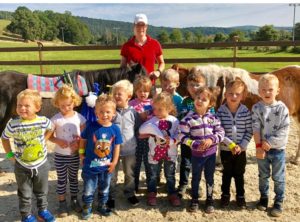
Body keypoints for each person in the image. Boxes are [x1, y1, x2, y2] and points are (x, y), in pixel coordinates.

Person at [1, 89, 55, 222]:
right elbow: (4, 137)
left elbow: (52, 127)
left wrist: (45, 139)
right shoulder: (13, 124)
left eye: (26, 105)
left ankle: (43, 211)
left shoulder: (43, 121)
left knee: (42, 191)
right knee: (25, 193)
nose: (22, 108)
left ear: (37, 107)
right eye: (19, 105)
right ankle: (26, 215)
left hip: (41, 164)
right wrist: (9, 155)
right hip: (22, 166)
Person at [179, 86, 224, 214]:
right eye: (198, 98)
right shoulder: (188, 119)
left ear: (210, 104)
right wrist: (192, 143)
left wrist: (211, 140)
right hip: (196, 155)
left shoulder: (213, 118)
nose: (199, 101)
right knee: (196, 177)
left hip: (210, 154)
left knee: (210, 177)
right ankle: (194, 199)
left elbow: (221, 133)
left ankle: (209, 200)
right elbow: (181, 135)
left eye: (204, 99)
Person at [252, 74, 290, 217]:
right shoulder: (257, 108)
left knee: (278, 177)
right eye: (263, 90)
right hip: (262, 149)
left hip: (277, 150)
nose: (267, 93)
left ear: (277, 91)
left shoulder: (282, 109)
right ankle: (263, 198)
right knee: (263, 175)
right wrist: (259, 146)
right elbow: (255, 128)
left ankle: (279, 201)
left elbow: (284, 130)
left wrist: (269, 142)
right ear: (259, 91)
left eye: (270, 89)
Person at [79, 94, 122, 219]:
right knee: (89, 189)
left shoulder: (115, 129)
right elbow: (82, 139)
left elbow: (117, 146)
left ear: (114, 113)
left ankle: (102, 205)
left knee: (104, 189)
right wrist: (81, 154)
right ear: (96, 112)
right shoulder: (91, 126)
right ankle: (87, 206)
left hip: (106, 168)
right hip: (90, 167)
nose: (104, 115)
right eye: (101, 112)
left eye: (108, 112)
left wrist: (114, 162)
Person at [49, 84, 86, 217]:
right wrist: (57, 140)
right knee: (61, 180)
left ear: (74, 102)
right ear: (57, 103)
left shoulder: (80, 118)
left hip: (74, 155)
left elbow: (84, 136)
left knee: (73, 178)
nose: (66, 108)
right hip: (60, 155)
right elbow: (48, 136)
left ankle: (74, 200)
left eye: (69, 105)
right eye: (62, 105)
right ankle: (62, 203)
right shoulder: (55, 119)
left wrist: (79, 143)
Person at [139, 92, 181, 207]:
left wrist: (172, 140)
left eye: (160, 109)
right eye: (155, 109)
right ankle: (152, 192)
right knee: (152, 174)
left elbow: (180, 135)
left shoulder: (174, 121)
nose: (156, 111)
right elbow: (141, 131)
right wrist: (151, 133)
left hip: (170, 153)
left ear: (169, 108)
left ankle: (172, 193)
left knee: (170, 174)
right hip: (154, 153)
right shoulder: (152, 120)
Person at [216, 79, 253, 208]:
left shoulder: (245, 111)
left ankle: (240, 196)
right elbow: (218, 131)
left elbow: (249, 131)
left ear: (243, 96)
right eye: (230, 93)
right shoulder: (220, 111)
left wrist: (241, 146)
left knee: (239, 174)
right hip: (227, 150)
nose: (234, 96)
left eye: (237, 94)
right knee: (226, 173)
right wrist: (231, 145)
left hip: (241, 151)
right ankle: (225, 195)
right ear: (225, 94)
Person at [108, 80, 142, 209]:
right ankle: (110, 195)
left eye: (119, 93)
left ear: (128, 96)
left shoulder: (133, 113)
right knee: (111, 174)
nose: (116, 96)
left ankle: (129, 193)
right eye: (114, 93)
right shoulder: (110, 112)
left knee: (130, 173)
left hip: (129, 149)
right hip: (112, 150)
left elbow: (138, 128)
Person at [177, 70, 207, 198]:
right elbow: (182, 117)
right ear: (187, 87)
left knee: (198, 163)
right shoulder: (185, 102)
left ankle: (196, 184)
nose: (194, 88)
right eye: (191, 85)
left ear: (204, 85)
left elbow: (211, 117)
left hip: (200, 138)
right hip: (187, 138)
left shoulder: (207, 101)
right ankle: (183, 184)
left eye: (197, 85)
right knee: (185, 161)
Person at [120, 13, 165, 85]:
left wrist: (158, 71)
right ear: (134, 26)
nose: (140, 28)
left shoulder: (155, 44)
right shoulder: (126, 46)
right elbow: (122, 67)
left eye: (143, 25)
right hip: (133, 86)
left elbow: (162, 63)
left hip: (150, 84)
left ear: (146, 27)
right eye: (138, 25)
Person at [129, 76, 153, 192]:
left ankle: (150, 186)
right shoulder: (131, 104)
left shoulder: (152, 103)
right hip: (136, 138)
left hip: (149, 139)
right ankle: (135, 185)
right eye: (140, 91)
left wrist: (147, 116)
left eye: (146, 91)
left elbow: (155, 118)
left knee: (149, 162)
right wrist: (139, 117)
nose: (143, 93)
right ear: (135, 91)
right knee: (136, 163)